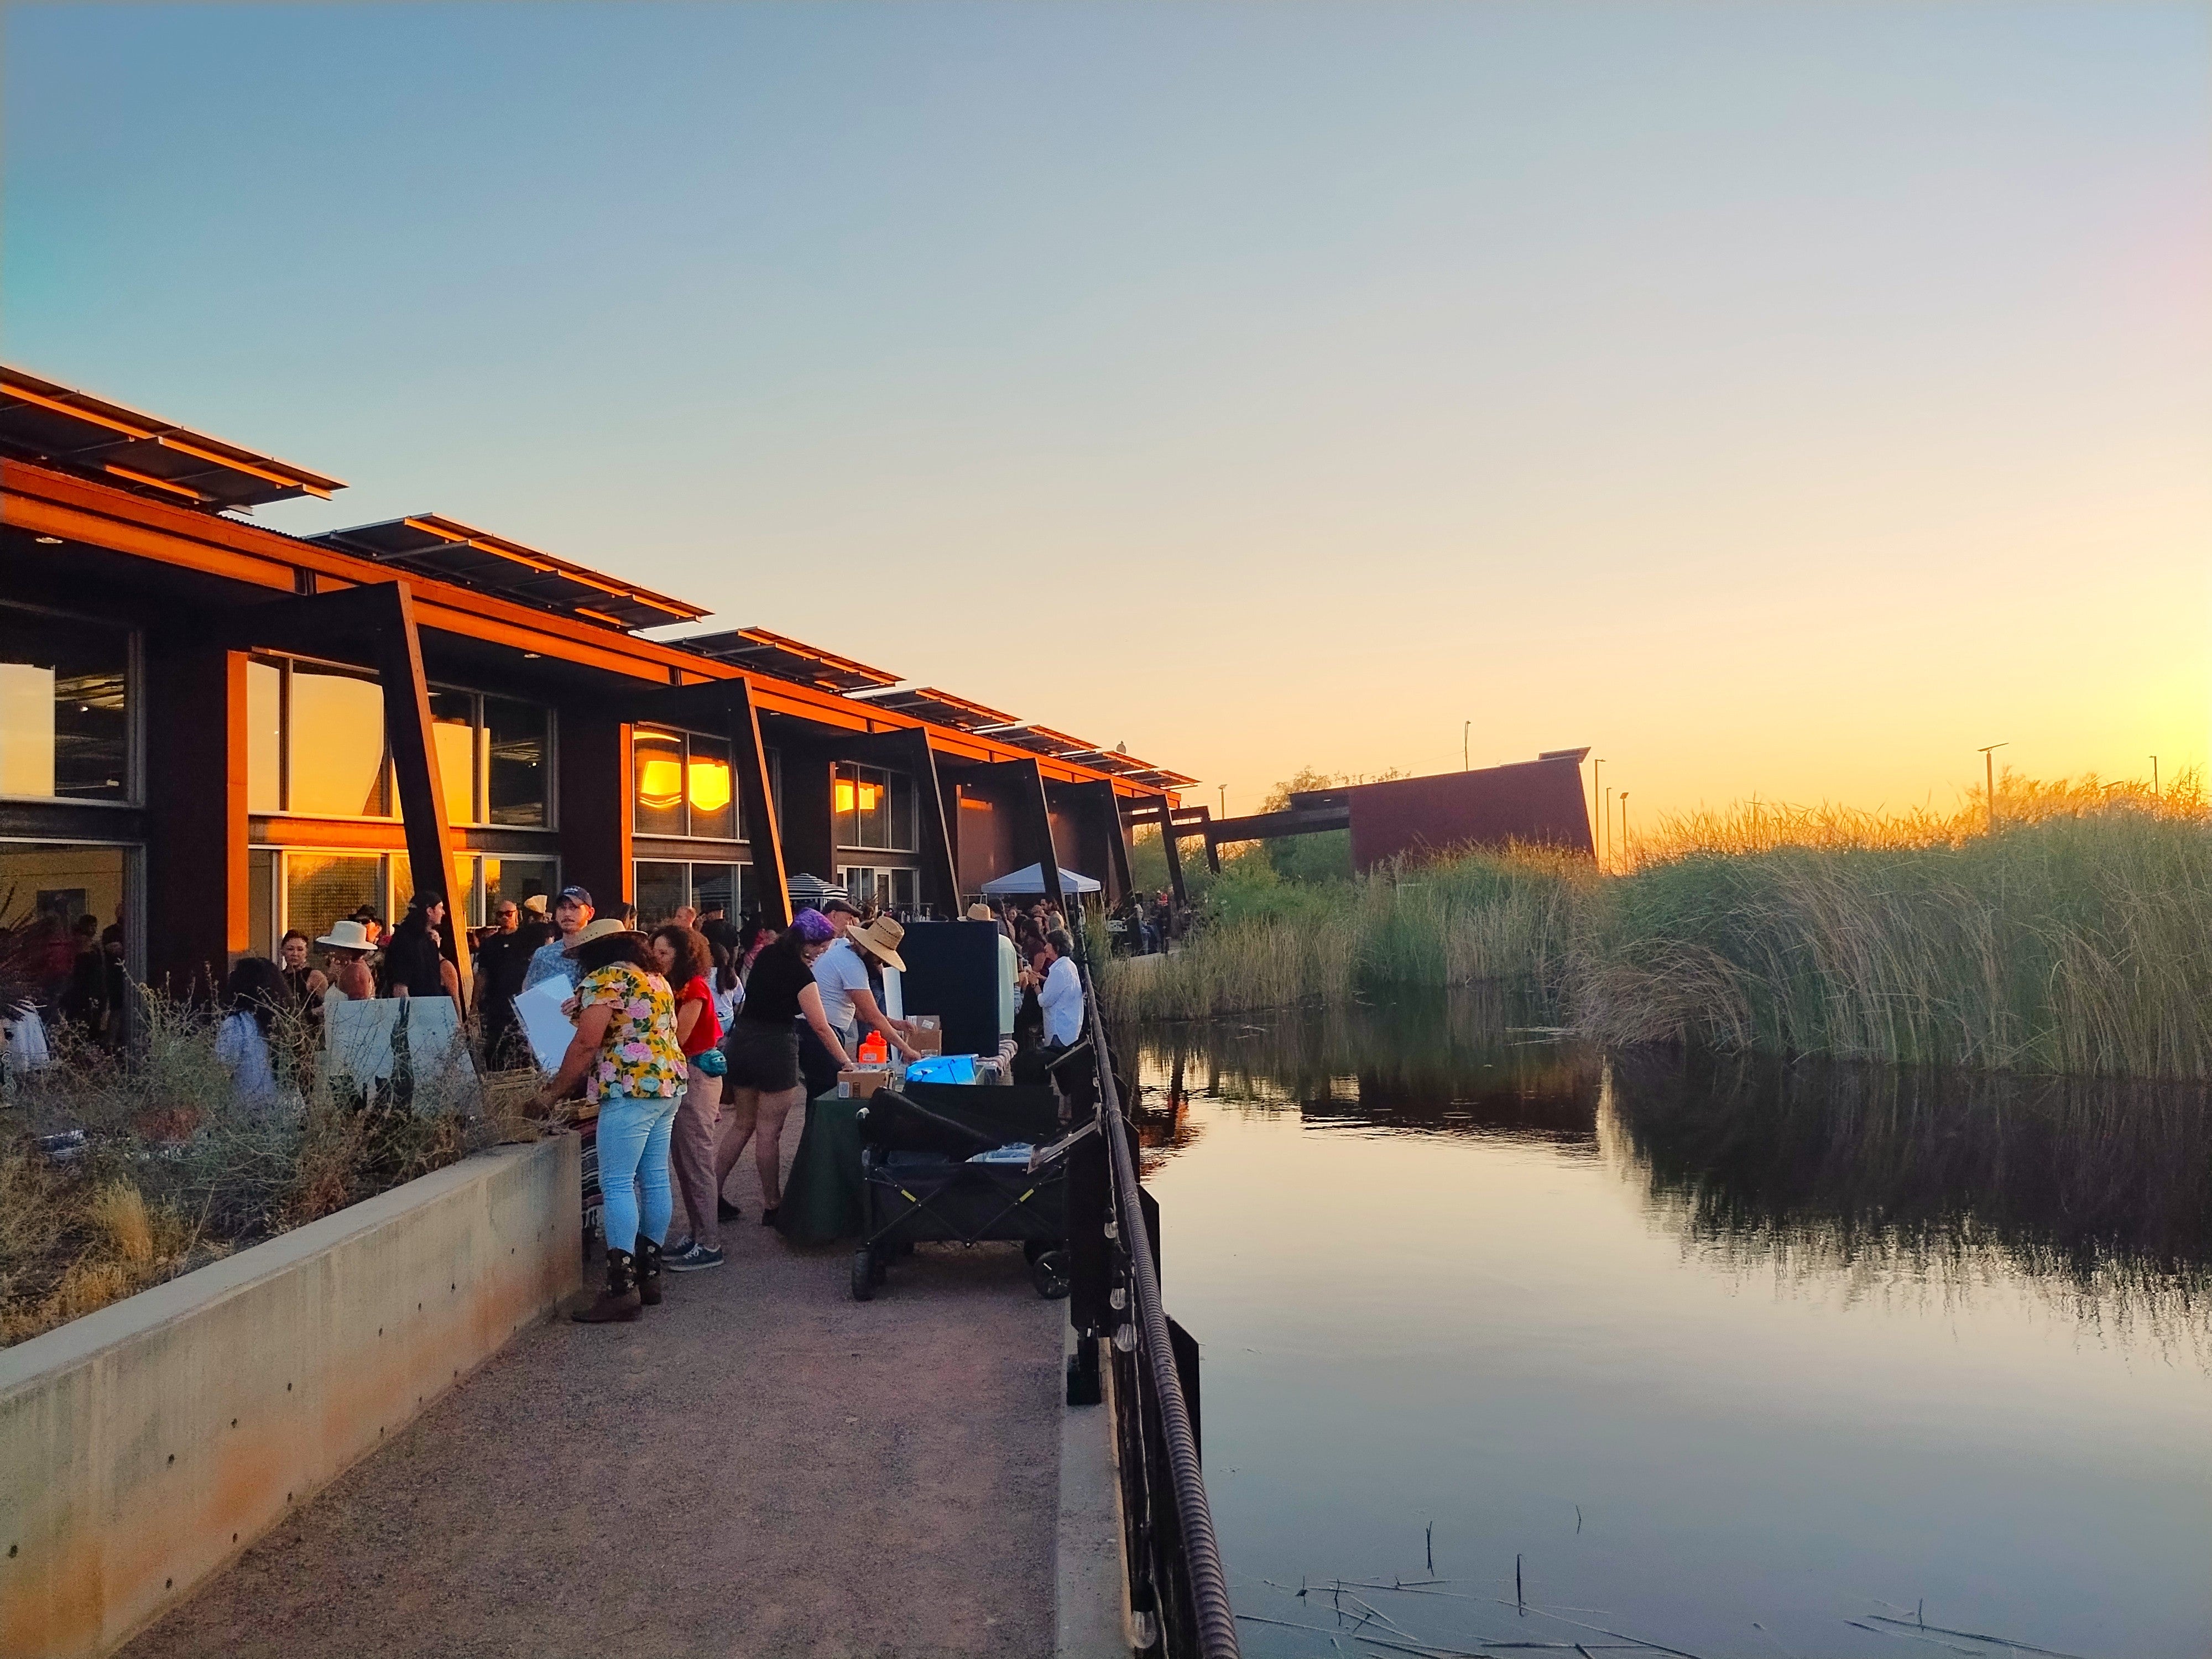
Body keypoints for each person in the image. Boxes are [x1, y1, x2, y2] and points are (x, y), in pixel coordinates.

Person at [531, 919, 688, 1324]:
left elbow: (587, 1044)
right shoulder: (655, 980)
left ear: (594, 952)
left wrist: (551, 1094)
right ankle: (649, 1277)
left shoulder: (605, 979)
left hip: (629, 1088)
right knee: (654, 1178)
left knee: (617, 1183)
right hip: (667, 1086)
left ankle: (621, 1290)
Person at [714, 909, 851, 1231]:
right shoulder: (801, 975)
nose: (822, 952)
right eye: (820, 946)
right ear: (807, 942)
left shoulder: (767, 955)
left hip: (744, 1041)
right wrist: (845, 1061)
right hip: (775, 1047)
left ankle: (710, 1194)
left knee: (742, 1124)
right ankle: (773, 1205)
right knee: (769, 1131)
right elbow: (820, 1026)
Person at [650, 922, 728, 1271]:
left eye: (665, 952)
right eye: (655, 951)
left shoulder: (693, 987)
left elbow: (678, 1037)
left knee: (696, 1158)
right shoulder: (676, 986)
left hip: (696, 1075)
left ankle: (710, 1242)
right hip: (688, 1074)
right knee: (685, 1160)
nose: (658, 958)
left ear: (683, 955)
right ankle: (699, 1235)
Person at [812, 915, 920, 1078]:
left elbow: (858, 1011)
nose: (880, 963)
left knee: (822, 1088)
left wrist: (893, 1023)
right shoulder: (852, 965)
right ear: (870, 950)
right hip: (823, 1032)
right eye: (879, 957)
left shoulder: (843, 952)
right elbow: (873, 1017)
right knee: (827, 1087)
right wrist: (906, 1050)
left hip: (823, 1029)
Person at [215, 955, 289, 1114]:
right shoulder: (287, 1022)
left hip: (248, 1112)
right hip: (288, 1109)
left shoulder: (237, 1024)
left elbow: (222, 1071)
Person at [472, 899, 530, 1065]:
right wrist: (474, 1006)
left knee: (522, 1052)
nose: (505, 917)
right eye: (500, 914)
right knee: (495, 1050)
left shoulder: (527, 940)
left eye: (508, 914)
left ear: (516, 915)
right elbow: (483, 975)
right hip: (496, 1005)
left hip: (522, 1004)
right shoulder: (489, 944)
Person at [968, 902, 1022, 1065]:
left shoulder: (973, 946)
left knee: (981, 1068)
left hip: (981, 1018)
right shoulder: (1007, 944)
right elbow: (1015, 981)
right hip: (1006, 1018)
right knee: (1003, 1066)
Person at [521, 885, 594, 995]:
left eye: (574, 907)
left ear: (590, 913)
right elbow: (527, 995)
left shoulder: (600, 953)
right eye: (562, 908)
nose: (567, 913)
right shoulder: (543, 956)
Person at [380, 893, 451, 1000]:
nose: (444, 913)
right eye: (440, 908)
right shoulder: (405, 940)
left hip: (432, 1007)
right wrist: (409, 1014)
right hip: (418, 1009)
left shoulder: (428, 939)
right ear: (430, 911)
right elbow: (400, 988)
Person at [1040, 928, 1084, 1052]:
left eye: (1048, 944)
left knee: (1058, 1065)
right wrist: (1044, 979)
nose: (1045, 948)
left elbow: (1045, 1001)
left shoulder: (1059, 970)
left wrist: (1035, 985)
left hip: (1059, 1031)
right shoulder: (1069, 965)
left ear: (1057, 947)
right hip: (1069, 1028)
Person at [315, 918, 378, 1003]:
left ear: (346, 950)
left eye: (335, 947)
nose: (331, 952)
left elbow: (356, 1008)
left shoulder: (355, 970)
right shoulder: (354, 967)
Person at [278, 930, 328, 1012]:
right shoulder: (279, 977)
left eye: (300, 949)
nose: (295, 954)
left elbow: (327, 1005)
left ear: (306, 952)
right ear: (282, 951)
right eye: (290, 949)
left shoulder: (314, 976)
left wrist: (309, 1014)